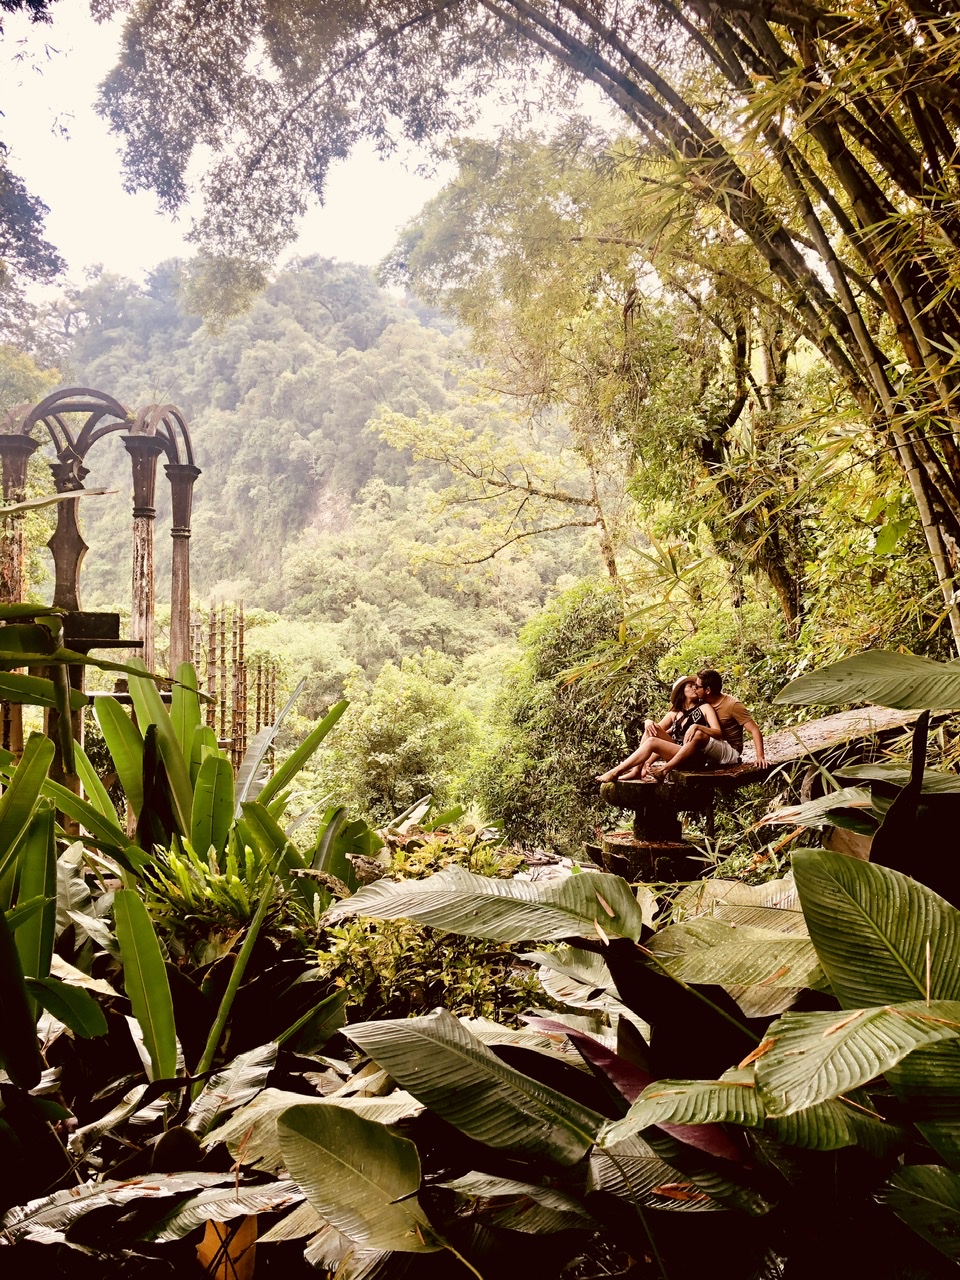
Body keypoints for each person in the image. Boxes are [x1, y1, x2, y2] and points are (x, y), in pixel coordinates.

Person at [595, 676, 723, 783]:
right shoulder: (675, 714)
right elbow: (654, 730)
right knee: (650, 730)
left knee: (652, 742)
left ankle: (616, 771)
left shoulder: (705, 707)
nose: (694, 688)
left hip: (693, 756)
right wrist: (648, 721)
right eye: (690, 686)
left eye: (696, 685)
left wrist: (698, 726)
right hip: (675, 752)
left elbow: (718, 732)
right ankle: (636, 771)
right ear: (681, 691)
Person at [651, 668, 767, 780]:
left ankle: (665, 769)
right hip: (708, 749)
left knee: (698, 734)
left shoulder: (732, 705)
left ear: (708, 690)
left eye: (697, 687)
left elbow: (754, 730)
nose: (695, 689)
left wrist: (760, 757)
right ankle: (642, 766)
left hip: (730, 751)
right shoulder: (703, 701)